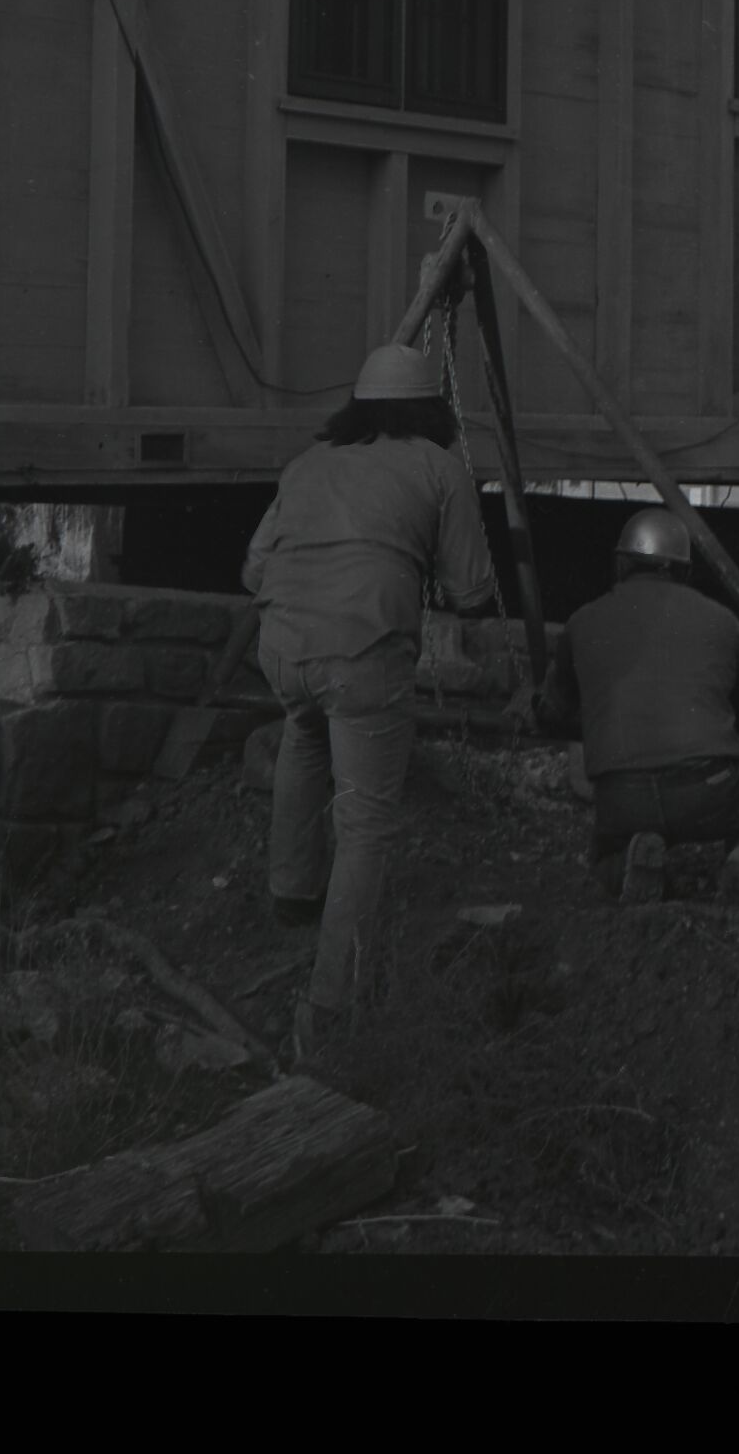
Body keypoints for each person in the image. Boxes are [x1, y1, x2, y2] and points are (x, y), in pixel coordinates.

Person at [242, 341, 496, 1068]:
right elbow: (472, 592)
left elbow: (252, 565)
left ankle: (290, 892)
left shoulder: (307, 463)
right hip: (360, 650)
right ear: (430, 410)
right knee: (366, 822)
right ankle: (329, 1006)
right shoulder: (439, 466)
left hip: (281, 648)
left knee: (302, 728)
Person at [537, 504, 739, 906]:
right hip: (706, 791)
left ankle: (632, 857)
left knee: (603, 857)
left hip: (622, 797)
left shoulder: (581, 621)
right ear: (684, 571)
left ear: (621, 564)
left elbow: (552, 713)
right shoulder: (724, 620)